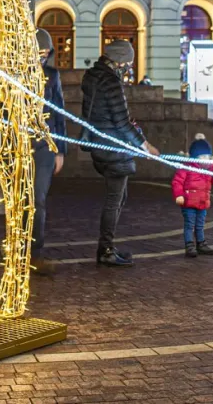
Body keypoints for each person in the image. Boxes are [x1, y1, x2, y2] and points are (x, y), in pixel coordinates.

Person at [81, 39, 159, 267]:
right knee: (114, 200)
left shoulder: (92, 77)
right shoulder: (111, 83)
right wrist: (145, 145)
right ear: (119, 60)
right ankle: (105, 249)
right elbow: (122, 123)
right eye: (128, 63)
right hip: (113, 148)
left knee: (118, 197)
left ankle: (108, 246)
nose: (129, 67)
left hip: (99, 144)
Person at [31, 28, 67, 275]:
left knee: (38, 200)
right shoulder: (15, 75)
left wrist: (60, 150)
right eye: (38, 52)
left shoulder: (52, 76)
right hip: (19, 145)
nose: (42, 57)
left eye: (45, 53)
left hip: (45, 147)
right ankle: (17, 248)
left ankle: (35, 252)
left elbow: (59, 114)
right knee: (20, 200)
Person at [170, 134, 213, 258]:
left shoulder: (209, 169)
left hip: (202, 202)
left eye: (208, 156)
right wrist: (179, 195)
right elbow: (177, 181)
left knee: (200, 224)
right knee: (189, 224)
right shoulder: (187, 167)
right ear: (195, 156)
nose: (205, 159)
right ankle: (189, 245)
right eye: (202, 156)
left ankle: (201, 244)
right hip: (188, 202)